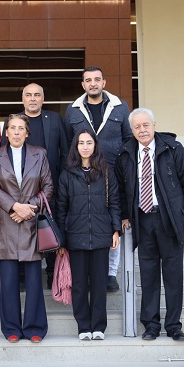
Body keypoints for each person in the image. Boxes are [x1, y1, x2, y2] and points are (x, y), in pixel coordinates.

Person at [115, 108, 184, 341]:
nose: (142, 130)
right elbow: (121, 189)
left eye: (146, 125)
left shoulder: (173, 149)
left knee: (173, 275)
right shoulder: (126, 153)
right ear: (131, 130)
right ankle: (151, 325)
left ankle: (173, 326)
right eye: (137, 127)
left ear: (154, 125)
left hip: (169, 219)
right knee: (149, 275)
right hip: (142, 220)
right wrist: (124, 215)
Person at [65, 66, 132, 293]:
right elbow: (68, 143)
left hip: (114, 175)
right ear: (83, 85)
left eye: (97, 79)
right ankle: (88, 272)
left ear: (104, 82)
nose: (92, 83)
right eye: (88, 80)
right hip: (83, 176)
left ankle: (111, 273)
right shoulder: (73, 110)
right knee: (90, 221)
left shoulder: (120, 107)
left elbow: (128, 140)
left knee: (114, 222)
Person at [0, 114, 53, 343]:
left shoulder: (40, 153)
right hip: (7, 222)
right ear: (6, 132)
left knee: (34, 280)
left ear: (27, 133)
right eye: (12, 128)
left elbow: (48, 186)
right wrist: (14, 206)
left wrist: (29, 208)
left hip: (31, 222)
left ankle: (35, 327)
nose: (16, 132)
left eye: (21, 128)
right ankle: (11, 329)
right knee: (8, 282)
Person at [2, 83, 69, 288]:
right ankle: (22, 274)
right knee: (23, 232)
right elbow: (3, 156)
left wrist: (62, 182)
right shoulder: (14, 122)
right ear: (22, 99)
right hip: (20, 191)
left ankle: (51, 272)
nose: (33, 98)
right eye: (28, 95)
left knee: (49, 228)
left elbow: (65, 152)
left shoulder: (55, 119)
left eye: (37, 95)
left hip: (50, 187)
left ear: (43, 98)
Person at [55, 129, 121, 340]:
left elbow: (115, 203)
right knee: (80, 285)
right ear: (75, 147)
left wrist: (116, 229)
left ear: (95, 146)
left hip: (102, 235)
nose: (85, 147)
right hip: (75, 237)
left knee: (100, 284)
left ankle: (99, 326)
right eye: (81, 143)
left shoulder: (106, 172)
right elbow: (61, 209)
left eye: (89, 142)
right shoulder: (67, 174)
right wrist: (61, 240)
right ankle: (83, 326)